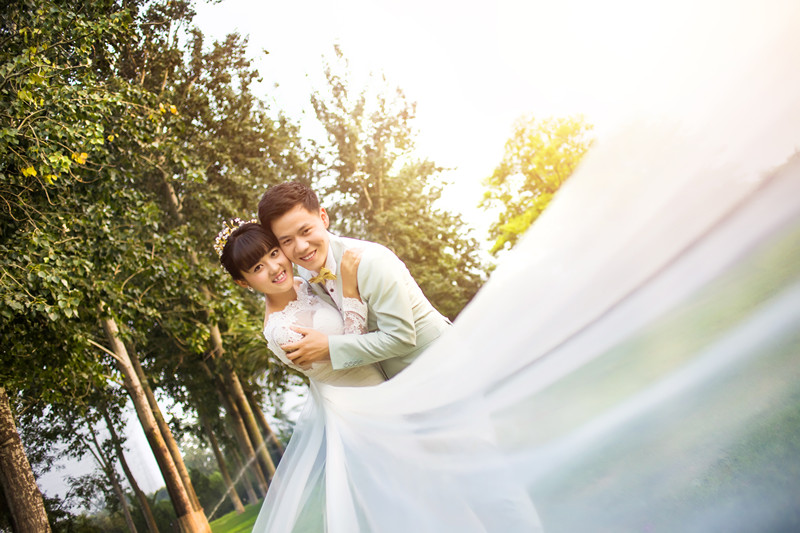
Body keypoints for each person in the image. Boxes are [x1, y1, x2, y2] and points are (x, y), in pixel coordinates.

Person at [257, 182, 452, 379]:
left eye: (306, 231)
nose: (301, 247)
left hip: (441, 363)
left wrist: (329, 348)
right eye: (286, 241)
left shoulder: (371, 261)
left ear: (323, 218)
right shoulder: (304, 271)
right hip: (392, 383)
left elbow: (401, 338)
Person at [217, 219, 385, 388]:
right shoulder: (283, 332)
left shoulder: (302, 282)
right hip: (364, 397)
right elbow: (354, 355)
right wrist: (350, 289)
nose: (274, 268)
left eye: (274, 253)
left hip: (385, 374)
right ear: (243, 282)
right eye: (258, 267)